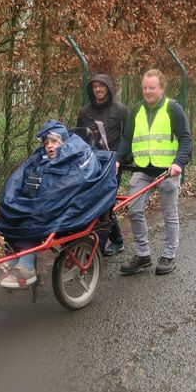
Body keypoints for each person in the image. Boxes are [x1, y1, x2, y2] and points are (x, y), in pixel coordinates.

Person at [0, 120, 117, 288]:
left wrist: (39, 202)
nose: (49, 146)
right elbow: (19, 178)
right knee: (14, 211)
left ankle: (26, 265)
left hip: (61, 204)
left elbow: (75, 183)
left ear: (63, 141)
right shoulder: (40, 157)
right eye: (46, 142)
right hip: (38, 201)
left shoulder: (78, 154)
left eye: (54, 141)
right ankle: (13, 259)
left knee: (35, 216)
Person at [115, 69, 192, 275]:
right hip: (142, 169)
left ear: (161, 88)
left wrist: (178, 163)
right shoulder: (136, 110)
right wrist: (116, 160)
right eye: (144, 87)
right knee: (134, 210)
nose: (147, 91)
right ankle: (142, 254)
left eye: (152, 87)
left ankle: (168, 255)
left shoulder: (172, 109)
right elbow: (127, 139)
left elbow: (185, 138)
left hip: (167, 171)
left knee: (169, 214)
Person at [76, 74, 129, 256]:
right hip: (91, 164)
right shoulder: (85, 111)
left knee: (105, 204)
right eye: (95, 86)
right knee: (97, 202)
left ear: (108, 87)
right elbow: (79, 138)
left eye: (101, 86)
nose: (98, 90)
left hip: (113, 164)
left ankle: (96, 250)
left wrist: (120, 159)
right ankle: (117, 240)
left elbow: (127, 137)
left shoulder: (120, 110)